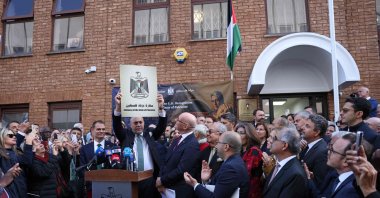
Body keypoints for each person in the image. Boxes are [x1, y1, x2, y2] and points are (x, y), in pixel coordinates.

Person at [113, 93, 167, 198]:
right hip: (130, 178)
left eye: (140, 122)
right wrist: (118, 107)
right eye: (135, 123)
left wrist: (161, 109)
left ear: (144, 123)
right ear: (130, 125)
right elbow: (117, 125)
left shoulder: (150, 135)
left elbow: (161, 127)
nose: (138, 125)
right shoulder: (125, 135)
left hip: (149, 179)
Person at [183, 131, 249, 198]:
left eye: (218, 143)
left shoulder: (231, 167)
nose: (216, 146)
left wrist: (195, 185)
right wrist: (206, 181)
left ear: (226, 147)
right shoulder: (232, 162)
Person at [156, 112, 199, 198]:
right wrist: (160, 178)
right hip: (166, 188)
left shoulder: (192, 144)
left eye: (178, 120)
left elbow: (182, 170)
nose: (176, 121)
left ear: (185, 126)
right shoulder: (177, 139)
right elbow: (166, 161)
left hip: (179, 191)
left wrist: (162, 180)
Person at [306, 133, 360, 198]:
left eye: (332, 151)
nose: (328, 152)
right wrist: (310, 180)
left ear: (346, 161)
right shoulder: (336, 175)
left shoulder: (351, 190)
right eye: (330, 147)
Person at [262, 127, 309, 198]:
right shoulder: (279, 164)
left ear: (284, 145)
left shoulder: (295, 174)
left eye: (274, 138)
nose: (268, 140)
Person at [79, 120, 114, 197]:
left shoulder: (112, 147)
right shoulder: (84, 149)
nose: (101, 131)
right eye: (98, 129)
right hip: (91, 187)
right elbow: (82, 169)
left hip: (109, 186)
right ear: (92, 130)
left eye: (103, 129)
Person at [0, 128, 35, 197]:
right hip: (9, 191)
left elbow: (27, 161)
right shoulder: (1, 153)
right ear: (2, 137)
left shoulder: (15, 152)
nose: (14, 137)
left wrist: (32, 147)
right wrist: (28, 143)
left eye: (14, 135)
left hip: (21, 189)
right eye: (10, 135)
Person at [299, 114, 331, 189]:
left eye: (307, 126)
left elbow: (319, 183)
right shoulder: (306, 146)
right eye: (304, 125)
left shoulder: (322, 151)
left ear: (317, 132)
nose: (302, 128)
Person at [235, 122, 263, 198]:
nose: (238, 136)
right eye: (237, 133)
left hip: (251, 192)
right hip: (240, 190)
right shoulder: (239, 150)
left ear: (249, 135)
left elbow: (246, 173)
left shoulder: (254, 151)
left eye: (242, 133)